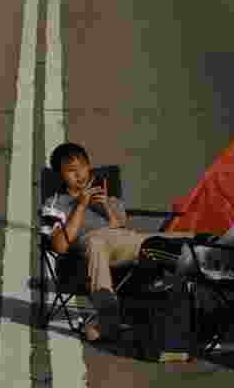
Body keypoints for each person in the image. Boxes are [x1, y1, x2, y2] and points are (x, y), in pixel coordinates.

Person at [42, 143, 193, 343]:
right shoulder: (55, 204)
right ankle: (108, 319)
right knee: (96, 240)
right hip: (88, 252)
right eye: (71, 171)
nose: (79, 175)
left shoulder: (110, 200)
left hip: (128, 247)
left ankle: (211, 285)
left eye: (83, 167)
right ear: (60, 175)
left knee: (186, 241)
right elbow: (59, 246)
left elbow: (125, 234)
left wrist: (106, 206)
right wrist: (81, 205)